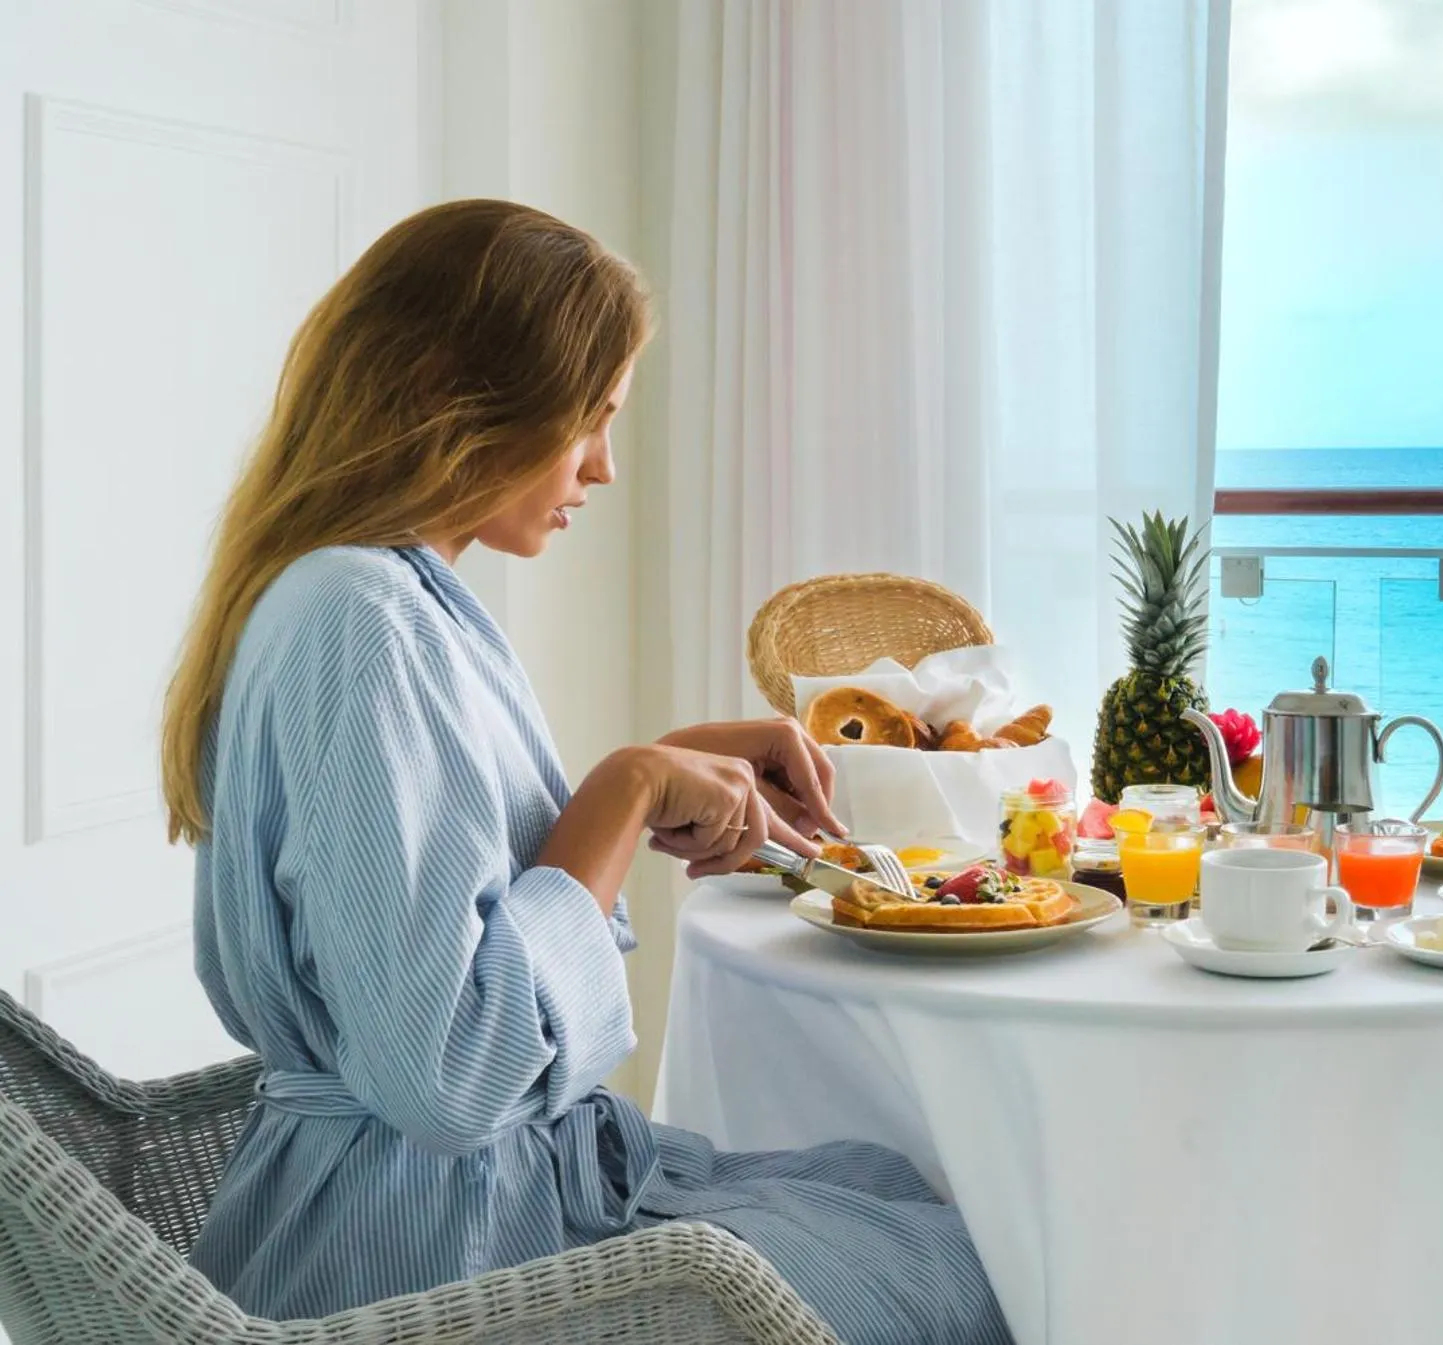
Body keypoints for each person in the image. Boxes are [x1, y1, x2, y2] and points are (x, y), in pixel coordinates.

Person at [160, 199, 1011, 1344]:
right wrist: (625, 791)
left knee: (891, 1192)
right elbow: (453, 1076)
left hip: (455, 1202)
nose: (603, 467)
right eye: (590, 419)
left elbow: (420, 928)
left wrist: (657, 771)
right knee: (961, 1265)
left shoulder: (380, 597)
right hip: (432, 1254)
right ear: (453, 392)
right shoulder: (359, 620)